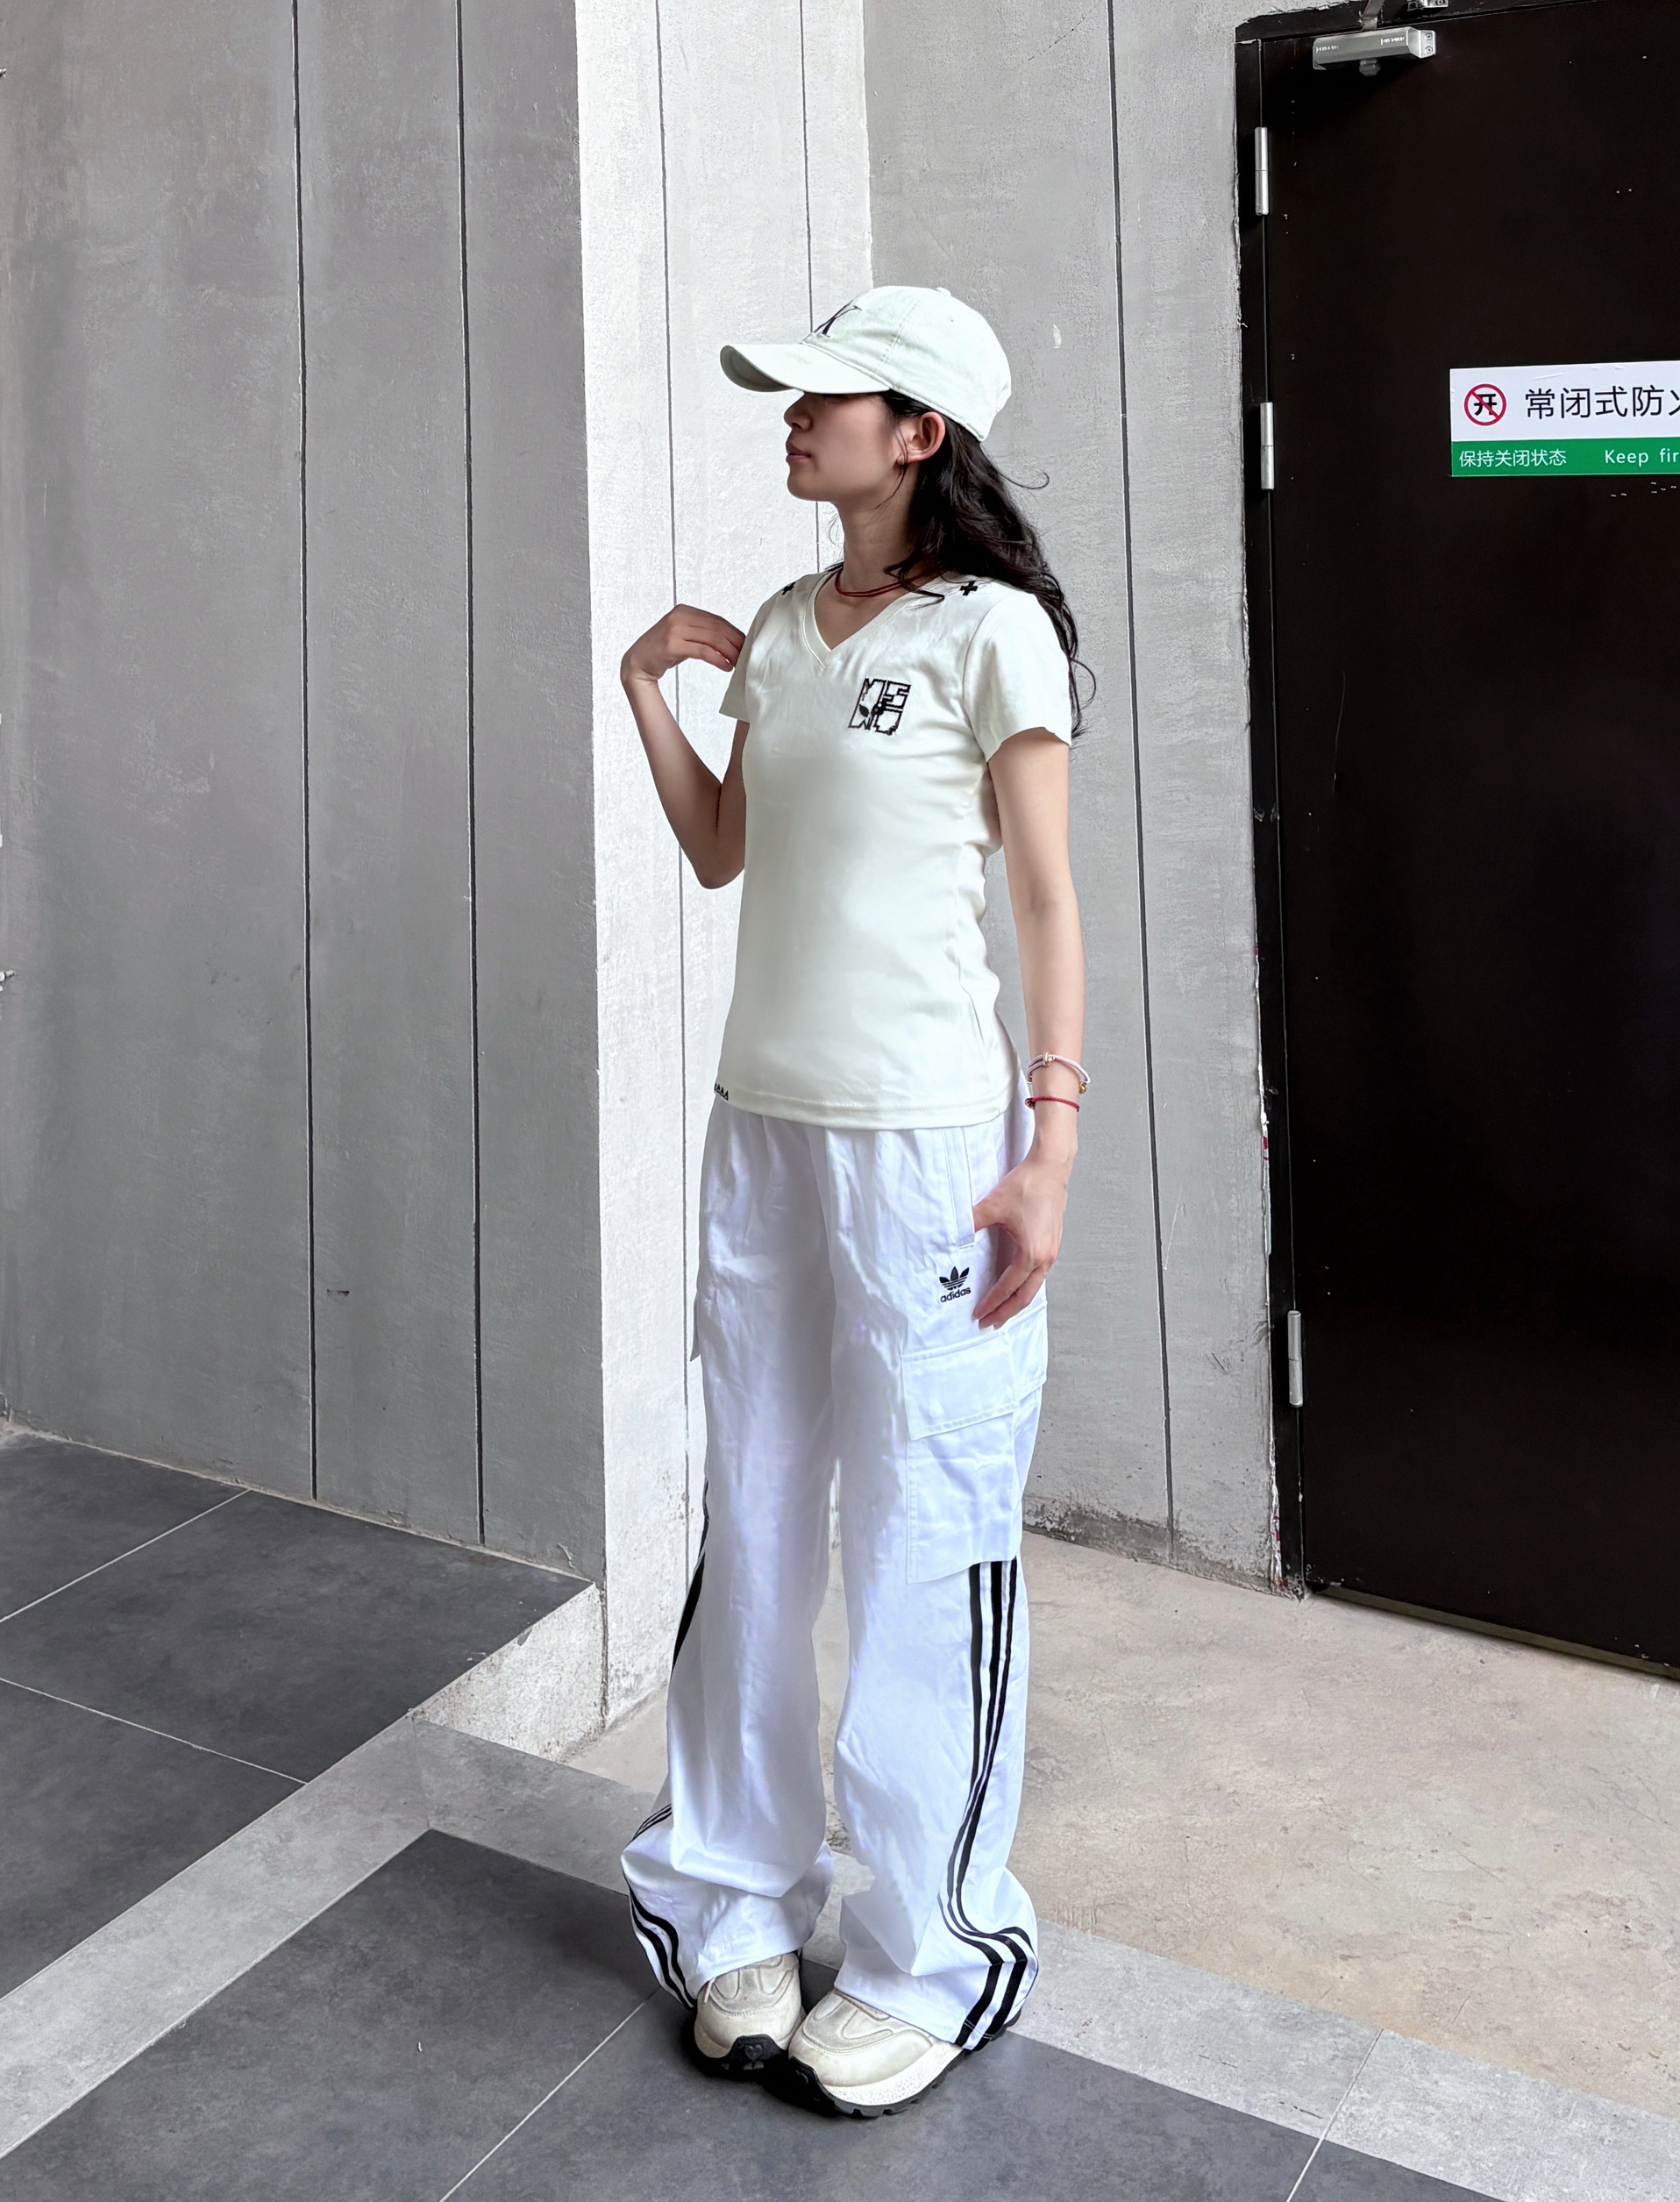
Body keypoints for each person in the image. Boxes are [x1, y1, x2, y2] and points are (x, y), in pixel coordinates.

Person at [617, 284, 1087, 2118]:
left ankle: (929, 1953)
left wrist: (1048, 1143)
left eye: (828, 397)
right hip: (764, 1130)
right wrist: (648, 692)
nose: (792, 417)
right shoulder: (782, 626)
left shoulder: (994, 634)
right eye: (791, 394)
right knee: (753, 1519)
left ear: (920, 435)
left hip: (929, 1148)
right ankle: (728, 1898)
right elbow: (723, 849)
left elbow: (1043, 899)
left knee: (920, 1536)